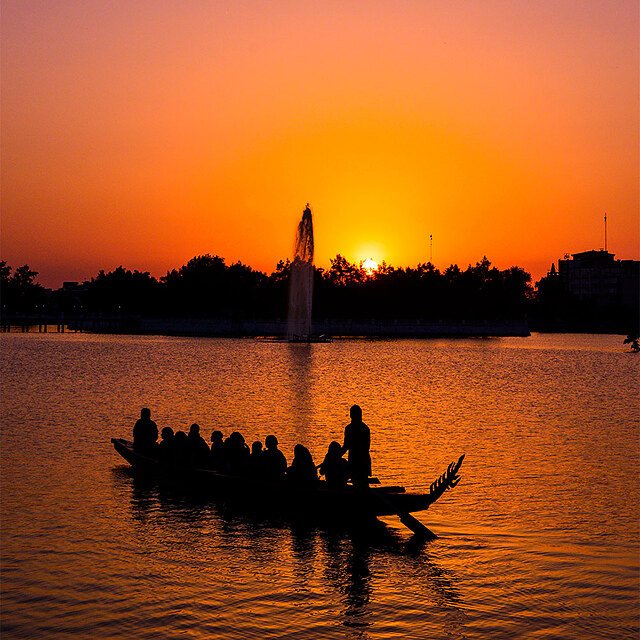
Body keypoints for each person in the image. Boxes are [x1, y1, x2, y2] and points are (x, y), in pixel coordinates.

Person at [341, 404, 371, 490]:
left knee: (359, 486)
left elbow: (346, 446)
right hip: (362, 461)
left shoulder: (349, 428)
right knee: (362, 486)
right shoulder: (365, 428)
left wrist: (336, 455)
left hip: (357, 461)